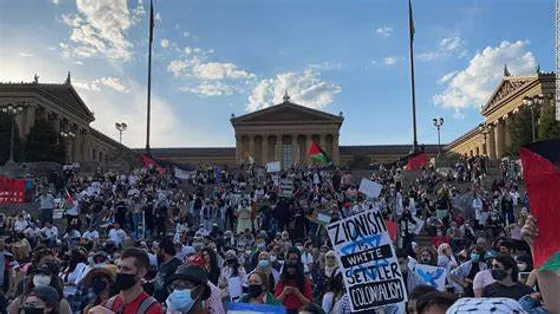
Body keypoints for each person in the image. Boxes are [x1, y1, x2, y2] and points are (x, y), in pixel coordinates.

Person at [88, 247, 162, 314]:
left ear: (141, 272)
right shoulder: (109, 304)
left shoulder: (151, 308)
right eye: (119, 267)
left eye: (126, 269)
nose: (120, 272)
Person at [275, 248, 312, 314]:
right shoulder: (282, 281)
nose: (291, 270)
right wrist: (284, 293)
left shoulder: (304, 281)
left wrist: (298, 294)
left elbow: (309, 303)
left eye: (295, 259)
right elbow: (276, 302)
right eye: (289, 267)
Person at [153, 238, 182, 303]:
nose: (157, 251)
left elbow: (173, 287)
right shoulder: (162, 264)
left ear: (163, 250)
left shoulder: (176, 265)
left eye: (158, 249)